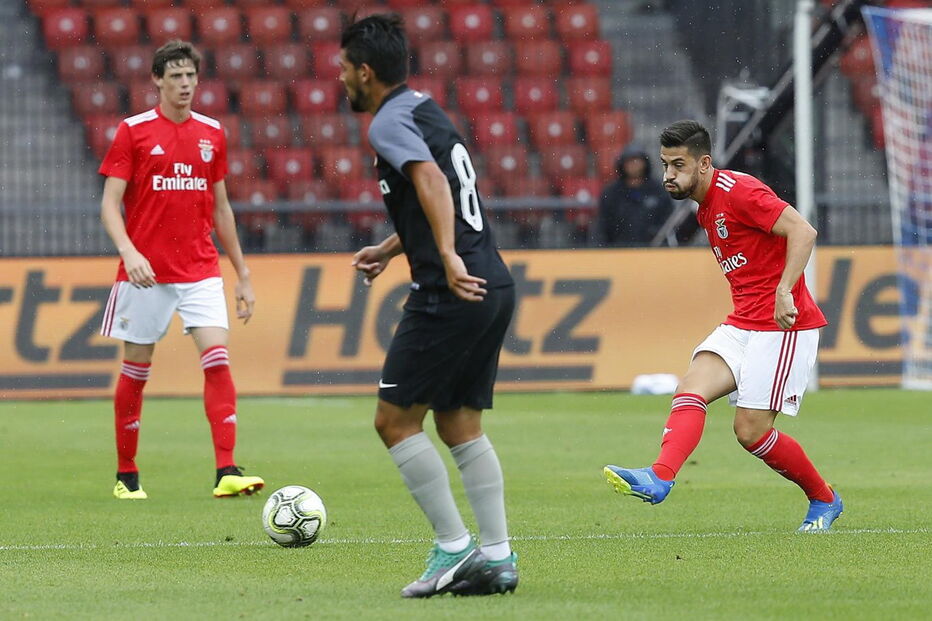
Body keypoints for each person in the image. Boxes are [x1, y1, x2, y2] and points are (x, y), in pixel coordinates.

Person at [340, 14, 518, 598]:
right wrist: (395, 247)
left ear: (365, 72)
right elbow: (444, 186)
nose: (342, 80)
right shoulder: (424, 107)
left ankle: (454, 547)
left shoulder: (386, 123)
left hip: (451, 288)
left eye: (345, 69)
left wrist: (442, 255)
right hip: (491, 280)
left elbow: (432, 183)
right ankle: (497, 556)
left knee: (393, 420)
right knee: (459, 422)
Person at [603, 120, 843, 532]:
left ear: (704, 164)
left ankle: (824, 499)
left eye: (678, 165)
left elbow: (803, 231)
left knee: (750, 432)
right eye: (664, 165)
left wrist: (785, 289)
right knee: (690, 388)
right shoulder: (705, 208)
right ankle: (660, 476)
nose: (668, 176)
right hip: (744, 322)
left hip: (782, 325)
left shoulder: (740, 192)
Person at [98, 40, 264, 500]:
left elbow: (223, 211)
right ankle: (126, 474)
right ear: (157, 80)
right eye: (175, 76)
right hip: (145, 273)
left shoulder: (212, 133)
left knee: (217, 359)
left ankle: (226, 469)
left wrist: (243, 274)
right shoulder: (133, 131)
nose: (185, 84)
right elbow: (110, 205)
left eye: (190, 75)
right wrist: (130, 252)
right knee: (137, 368)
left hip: (200, 269)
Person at [598, 144, 675, 246]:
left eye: (637, 160)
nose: (633, 165)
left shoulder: (658, 191)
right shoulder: (612, 193)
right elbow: (603, 226)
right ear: (622, 164)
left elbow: (668, 223)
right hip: (618, 252)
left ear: (645, 163)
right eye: (629, 161)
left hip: (653, 252)